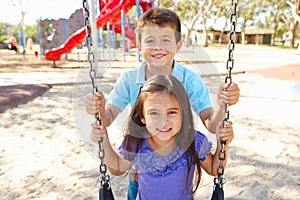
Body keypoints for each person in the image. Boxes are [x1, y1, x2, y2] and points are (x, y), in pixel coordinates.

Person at [85, 7, 239, 199]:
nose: (158, 47)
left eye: (166, 40)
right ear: (139, 46)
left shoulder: (189, 80)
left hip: (180, 151)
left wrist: (222, 104)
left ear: (178, 45)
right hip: (141, 166)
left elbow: (211, 124)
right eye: (150, 40)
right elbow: (107, 118)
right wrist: (98, 111)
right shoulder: (129, 79)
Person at [90, 74, 234, 200]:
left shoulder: (192, 140)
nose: (164, 121)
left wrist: (223, 143)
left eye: (172, 112)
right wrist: (104, 141)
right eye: (154, 113)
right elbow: (117, 168)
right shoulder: (137, 141)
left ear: (182, 115)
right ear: (142, 117)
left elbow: (215, 169)